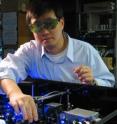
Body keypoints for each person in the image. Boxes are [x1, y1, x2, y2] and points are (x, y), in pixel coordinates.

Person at [0, 0, 115, 122]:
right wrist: (15, 93)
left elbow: (109, 83)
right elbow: (4, 71)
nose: (44, 32)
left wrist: (93, 82)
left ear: (62, 23)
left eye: (50, 24)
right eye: (37, 26)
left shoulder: (85, 51)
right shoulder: (29, 51)